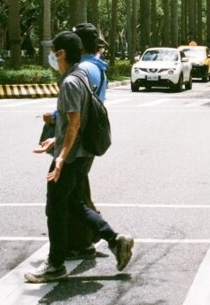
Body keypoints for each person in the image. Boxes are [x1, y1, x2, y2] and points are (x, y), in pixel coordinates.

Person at [25, 31, 133, 283]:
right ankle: (115, 240)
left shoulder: (71, 82)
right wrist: (55, 139)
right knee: (75, 204)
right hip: (79, 152)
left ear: (62, 54)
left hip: (71, 156)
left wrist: (60, 156)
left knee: (55, 209)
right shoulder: (80, 76)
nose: (51, 56)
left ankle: (55, 264)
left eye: (53, 51)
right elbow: (72, 121)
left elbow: (74, 123)